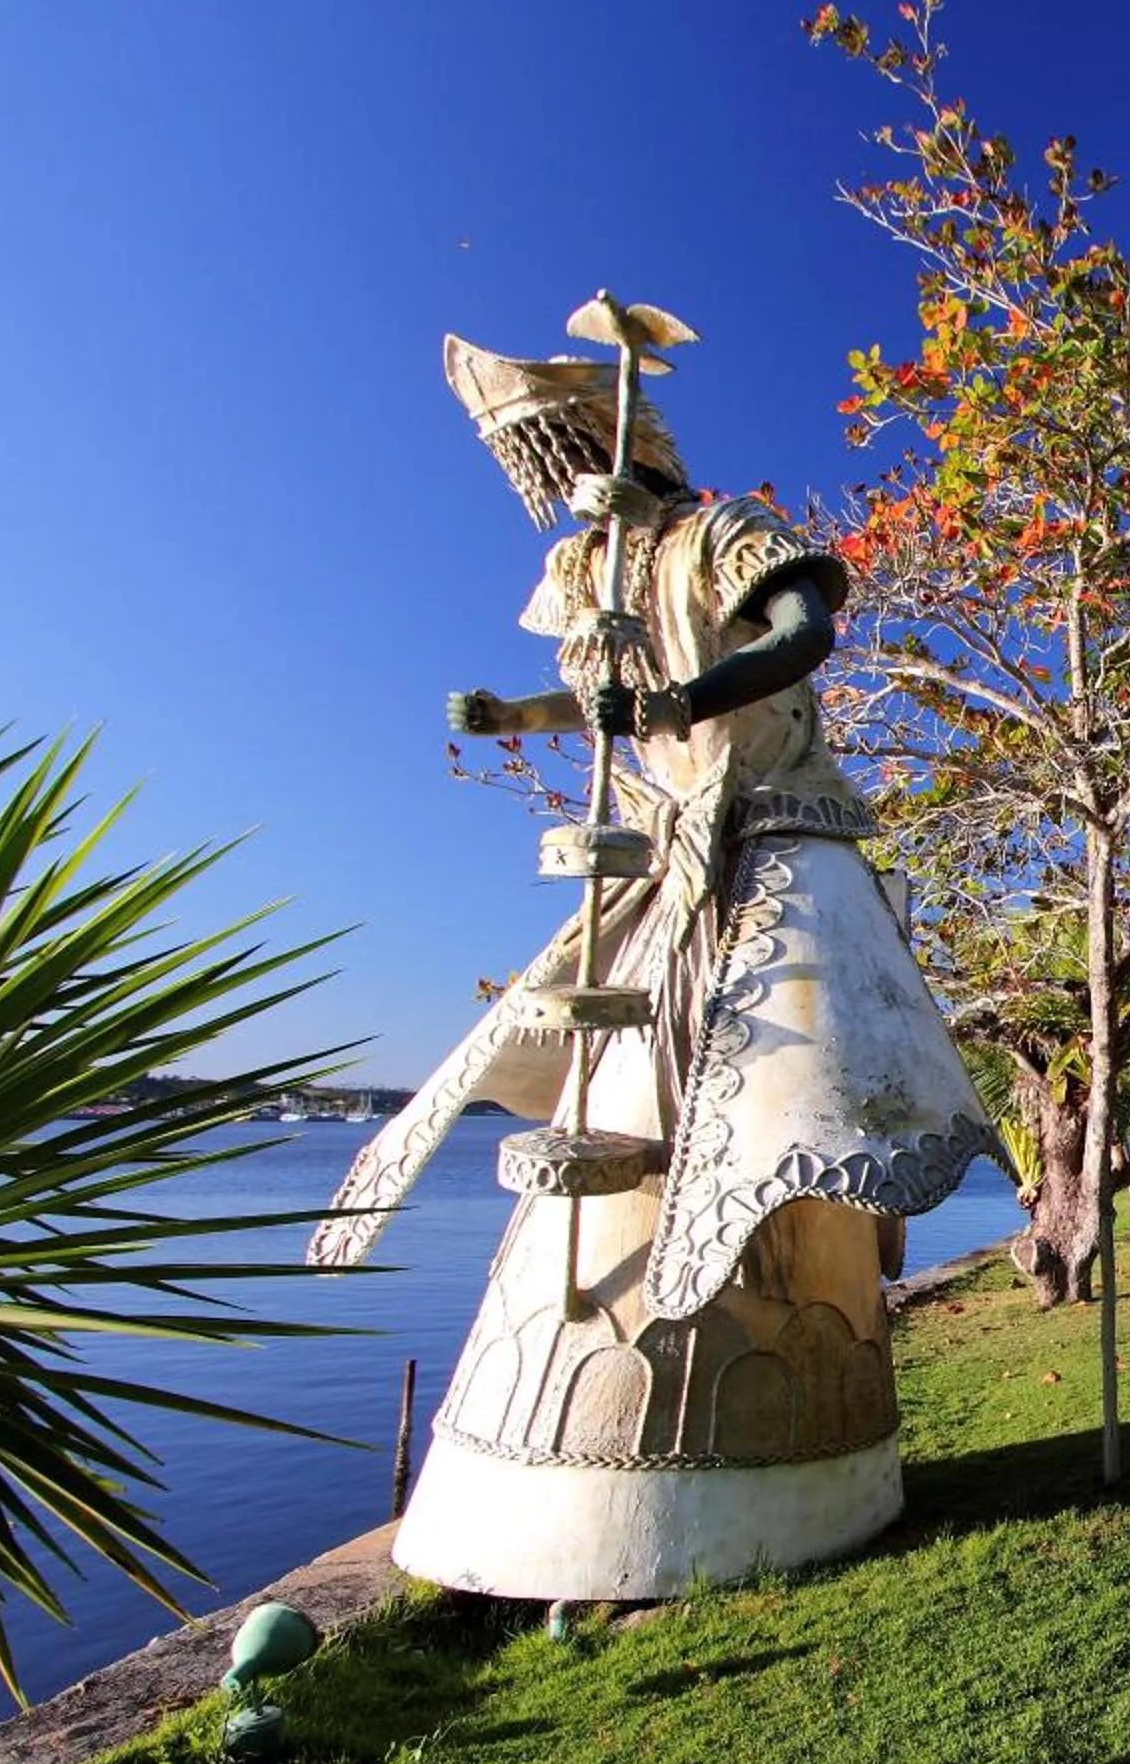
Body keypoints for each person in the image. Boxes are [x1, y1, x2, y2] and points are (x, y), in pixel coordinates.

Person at [311, 327, 998, 1600]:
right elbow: (606, 705)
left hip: (773, 834)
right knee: (615, 1090)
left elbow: (802, 631)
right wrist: (518, 716)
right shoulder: (593, 573)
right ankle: (566, 1464)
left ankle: (771, 1431)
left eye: (568, 455)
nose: (563, 487)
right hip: (666, 854)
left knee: (786, 1103)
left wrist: (687, 700)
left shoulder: (722, 532)